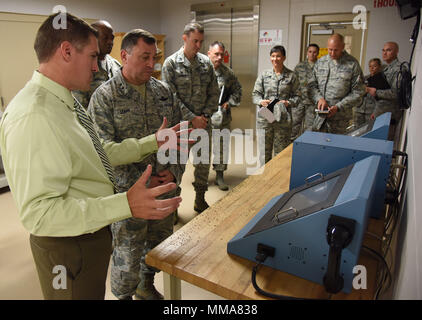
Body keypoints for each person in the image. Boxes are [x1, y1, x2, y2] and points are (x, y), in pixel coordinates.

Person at [0, 13, 186, 300]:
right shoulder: (34, 115)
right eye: (93, 56)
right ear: (66, 51)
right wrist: (123, 204)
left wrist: (153, 141)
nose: (98, 66)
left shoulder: (64, 101)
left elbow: (100, 153)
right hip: (68, 246)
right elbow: (41, 215)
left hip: (88, 234)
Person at [88, 29, 184, 300]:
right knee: (127, 254)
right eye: (144, 57)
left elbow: (180, 139)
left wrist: (173, 172)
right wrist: (139, 181)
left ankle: (145, 284)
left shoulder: (164, 93)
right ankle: (124, 296)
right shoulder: (105, 97)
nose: (151, 64)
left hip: (163, 190)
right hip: (127, 196)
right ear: (124, 56)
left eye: (154, 57)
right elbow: (104, 154)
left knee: (156, 247)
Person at [162, 22, 219, 213]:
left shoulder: (206, 63)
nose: (198, 45)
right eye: (195, 41)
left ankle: (200, 200)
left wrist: (205, 116)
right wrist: (192, 118)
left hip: (203, 125)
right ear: (184, 38)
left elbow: (214, 92)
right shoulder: (170, 64)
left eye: (201, 42)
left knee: (202, 166)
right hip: (181, 128)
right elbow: (170, 97)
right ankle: (174, 208)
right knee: (176, 168)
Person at [308, 33, 365, 134]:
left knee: (334, 148)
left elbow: (358, 92)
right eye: (330, 49)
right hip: (319, 118)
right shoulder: (321, 62)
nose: (332, 53)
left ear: (343, 47)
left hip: (340, 120)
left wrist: (338, 107)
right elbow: (312, 85)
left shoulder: (352, 64)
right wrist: (319, 99)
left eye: (336, 50)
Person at [252, 45, 300, 165]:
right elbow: (255, 94)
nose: (275, 59)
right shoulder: (264, 75)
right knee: (264, 152)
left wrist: (288, 102)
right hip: (265, 117)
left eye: (278, 56)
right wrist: (260, 101)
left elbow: (298, 97)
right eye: (273, 56)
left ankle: (277, 180)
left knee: (281, 153)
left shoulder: (291, 76)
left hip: (282, 119)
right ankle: (264, 179)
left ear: (283, 58)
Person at [207, 41, 242, 191]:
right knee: (202, 147)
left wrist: (229, 102)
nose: (219, 57)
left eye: (222, 54)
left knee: (222, 147)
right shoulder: (201, 71)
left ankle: (219, 176)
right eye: (216, 54)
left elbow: (238, 91)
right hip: (203, 117)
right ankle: (200, 177)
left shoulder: (228, 73)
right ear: (209, 53)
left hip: (222, 117)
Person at [72, 20, 121, 108]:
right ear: (92, 39)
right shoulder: (81, 68)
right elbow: (78, 107)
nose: (110, 42)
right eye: (105, 38)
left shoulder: (116, 65)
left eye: (112, 38)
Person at [367, 42, 403, 124]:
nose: (384, 53)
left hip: (390, 116)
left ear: (396, 52)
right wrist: (376, 111)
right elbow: (383, 97)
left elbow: (396, 93)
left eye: (388, 50)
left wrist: (375, 92)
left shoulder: (399, 69)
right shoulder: (387, 69)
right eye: (383, 50)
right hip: (381, 113)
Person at [293, 43, 319, 136]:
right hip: (299, 101)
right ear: (307, 53)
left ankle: (305, 146)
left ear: (318, 53)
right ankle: (290, 146)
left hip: (312, 103)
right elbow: (293, 82)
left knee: (310, 127)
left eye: (314, 52)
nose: (312, 54)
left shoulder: (321, 67)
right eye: (310, 52)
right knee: (294, 124)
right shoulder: (300, 66)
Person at [354, 58, 382, 127]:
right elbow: (355, 92)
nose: (372, 68)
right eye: (370, 66)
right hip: (359, 109)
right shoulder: (364, 79)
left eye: (374, 66)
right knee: (356, 130)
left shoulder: (382, 80)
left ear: (379, 67)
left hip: (371, 111)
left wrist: (376, 112)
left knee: (369, 130)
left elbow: (382, 99)